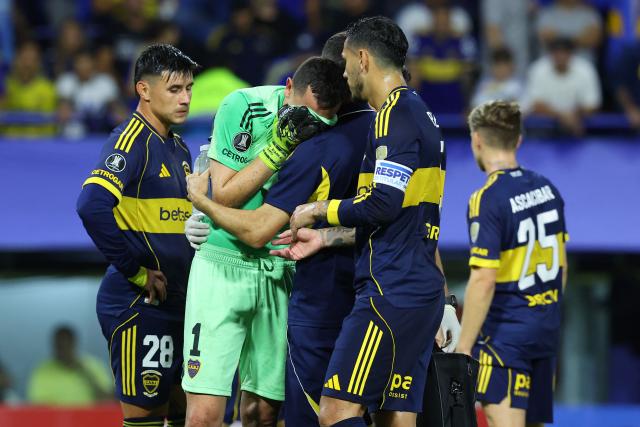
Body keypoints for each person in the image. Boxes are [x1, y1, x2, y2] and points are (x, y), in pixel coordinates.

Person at [185, 32, 371, 426]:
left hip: (280, 268)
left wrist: (202, 204)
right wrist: (278, 147)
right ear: (288, 88)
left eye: (320, 120)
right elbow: (227, 195)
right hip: (223, 262)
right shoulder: (243, 105)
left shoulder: (332, 130)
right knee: (203, 415)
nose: (309, 125)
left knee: (263, 412)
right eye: (303, 113)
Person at [272, 16, 450, 427]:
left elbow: (382, 205)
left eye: (347, 61)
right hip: (417, 291)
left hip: (389, 293)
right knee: (395, 418)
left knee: (335, 411)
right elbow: (400, 215)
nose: (344, 72)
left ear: (364, 58)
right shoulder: (423, 116)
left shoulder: (392, 117)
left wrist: (319, 210)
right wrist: (328, 239)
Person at [76, 43, 199, 427]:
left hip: (178, 305)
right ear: (143, 90)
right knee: (146, 419)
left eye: (189, 89)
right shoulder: (131, 140)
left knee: (184, 414)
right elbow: (91, 206)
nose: (185, 99)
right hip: (139, 305)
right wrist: (136, 271)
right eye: (174, 89)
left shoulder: (179, 148)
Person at [455, 101, 569, 427]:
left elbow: (484, 279)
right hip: (545, 333)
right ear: (518, 140)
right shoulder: (548, 189)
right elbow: (561, 268)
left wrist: (464, 347)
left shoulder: (487, 197)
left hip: (504, 342)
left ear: (476, 139)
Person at [522, 37, 601, 136]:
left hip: (579, 125)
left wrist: (574, 115)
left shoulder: (586, 70)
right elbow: (535, 104)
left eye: (564, 52)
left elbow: (592, 105)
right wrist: (562, 116)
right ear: (550, 54)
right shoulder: (537, 69)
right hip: (543, 128)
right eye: (557, 52)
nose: (560, 56)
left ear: (572, 54)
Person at [27, 325, 112, 406]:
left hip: (92, 419)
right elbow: (37, 406)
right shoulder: (43, 370)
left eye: (66, 345)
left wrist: (86, 373)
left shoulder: (93, 365)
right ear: (54, 346)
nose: (63, 351)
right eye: (60, 346)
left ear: (74, 344)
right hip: (56, 419)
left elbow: (109, 400)